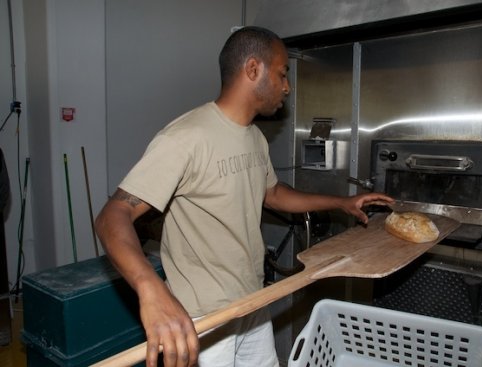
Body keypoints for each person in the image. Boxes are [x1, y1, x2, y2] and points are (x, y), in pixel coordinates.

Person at [95, 26, 393, 367]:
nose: (287, 86)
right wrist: (151, 289)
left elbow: (274, 194)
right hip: (203, 318)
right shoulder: (185, 137)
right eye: (282, 73)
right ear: (253, 69)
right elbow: (112, 215)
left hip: (251, 301)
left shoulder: (254, 138)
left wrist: (341, 202)